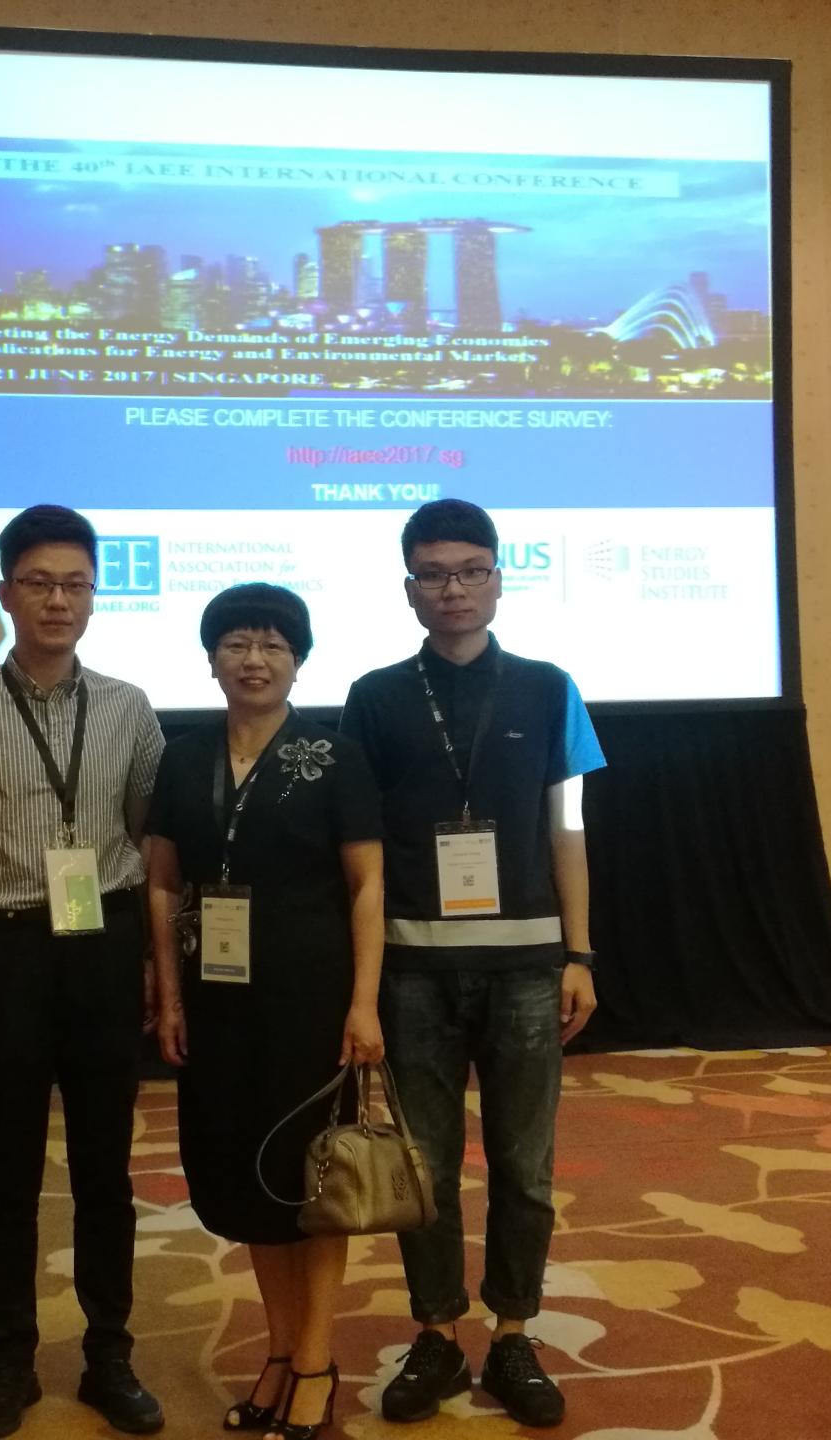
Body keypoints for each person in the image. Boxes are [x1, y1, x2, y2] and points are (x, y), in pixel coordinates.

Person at [339, 499, 605, 1428]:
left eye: (470, 571)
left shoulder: (548, 687)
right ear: (408, 589)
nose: (452, 589)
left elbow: (568, 828)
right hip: (413, 970)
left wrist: (579, 952)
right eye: (433, 574)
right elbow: (361, 850)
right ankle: (439, 1335)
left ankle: (515, 1333)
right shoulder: (374, 698)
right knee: (426, 1169)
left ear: (498, 578)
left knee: (525, 1167)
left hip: (527, 969)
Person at [0, 505, 167, 1439]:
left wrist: (155, 962)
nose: (59, 600)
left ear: (95, 597)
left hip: (104, 946)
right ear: (6, 592)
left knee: (106, 1170)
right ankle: (12, 1361)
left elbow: (151, 842)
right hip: (5, 949)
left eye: (76, 585)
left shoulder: (130, 707)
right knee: (9, 1170)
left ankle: (109, 1356)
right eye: (40, 583)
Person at [144, 583, 386, 1440]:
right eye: (237, 644)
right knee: (248, 1181)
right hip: (216, 1002)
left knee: (310, 1183)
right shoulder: (182, 758)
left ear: (299, 660)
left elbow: (367, 886)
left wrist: (365, 1003)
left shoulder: (336, 757)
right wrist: (169, 994)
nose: (254, 660)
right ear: (211, 658)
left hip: (310, 1004)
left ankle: (316, 1363)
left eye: (274, 645)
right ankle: (280, 1352)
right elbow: (163, 881)